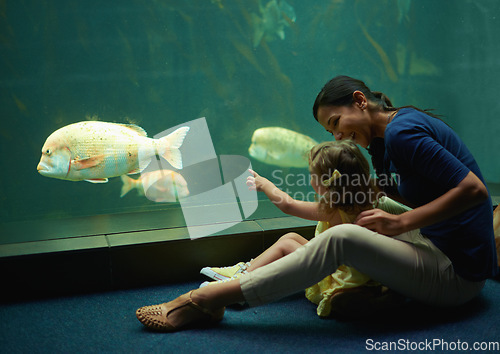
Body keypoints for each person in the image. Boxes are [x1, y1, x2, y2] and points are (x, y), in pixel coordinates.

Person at [135, 75, 498, 332]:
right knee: (351, 224)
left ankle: (207, 299)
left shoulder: (402, 133)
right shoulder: (387, 139)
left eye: (337, 122)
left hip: (458, 274)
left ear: (360, 100)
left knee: (341, 239)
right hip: (436, 247)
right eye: (331, 132)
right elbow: (396, 194)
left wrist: (401, 223)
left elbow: (475, 191)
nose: (339, 135)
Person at [198, 140, 409, 318]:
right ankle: (371, 293)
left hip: (335, 274)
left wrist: (265, 185)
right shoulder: (370, 200)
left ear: (325, 184)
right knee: (291, 237)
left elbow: (288, 204)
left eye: (311, 175)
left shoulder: (332, 209)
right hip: (360, 272)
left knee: (289, 242)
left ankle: (239, 285)